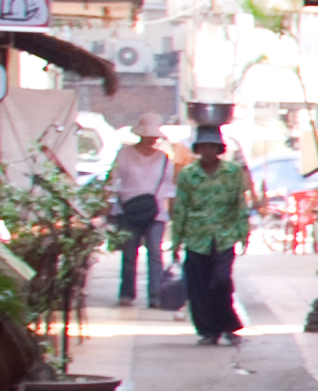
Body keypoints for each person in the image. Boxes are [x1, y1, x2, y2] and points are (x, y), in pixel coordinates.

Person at [170, 126, 256, 349]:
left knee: (221, 281)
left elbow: (239, 204)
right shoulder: (188, 174)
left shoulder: (232, 172)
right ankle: (208, 330)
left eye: (212, 146)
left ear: (219, 149)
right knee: (198, 286)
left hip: (224, 236)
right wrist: (176, 240)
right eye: (204, 146)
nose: (208, 151)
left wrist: (243, 233)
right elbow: (181, 207)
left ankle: (228, 325)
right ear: (198, 149)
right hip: (196, 236)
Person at [109, 129, 173, 306]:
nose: (151, 140)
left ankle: (156, 296)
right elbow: (113, 180)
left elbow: (168, 186)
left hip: (155, 211)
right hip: (129, 210)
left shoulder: (164, 158)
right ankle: (127, 293)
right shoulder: (124, 154)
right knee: (129, 253)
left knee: (155, 253)